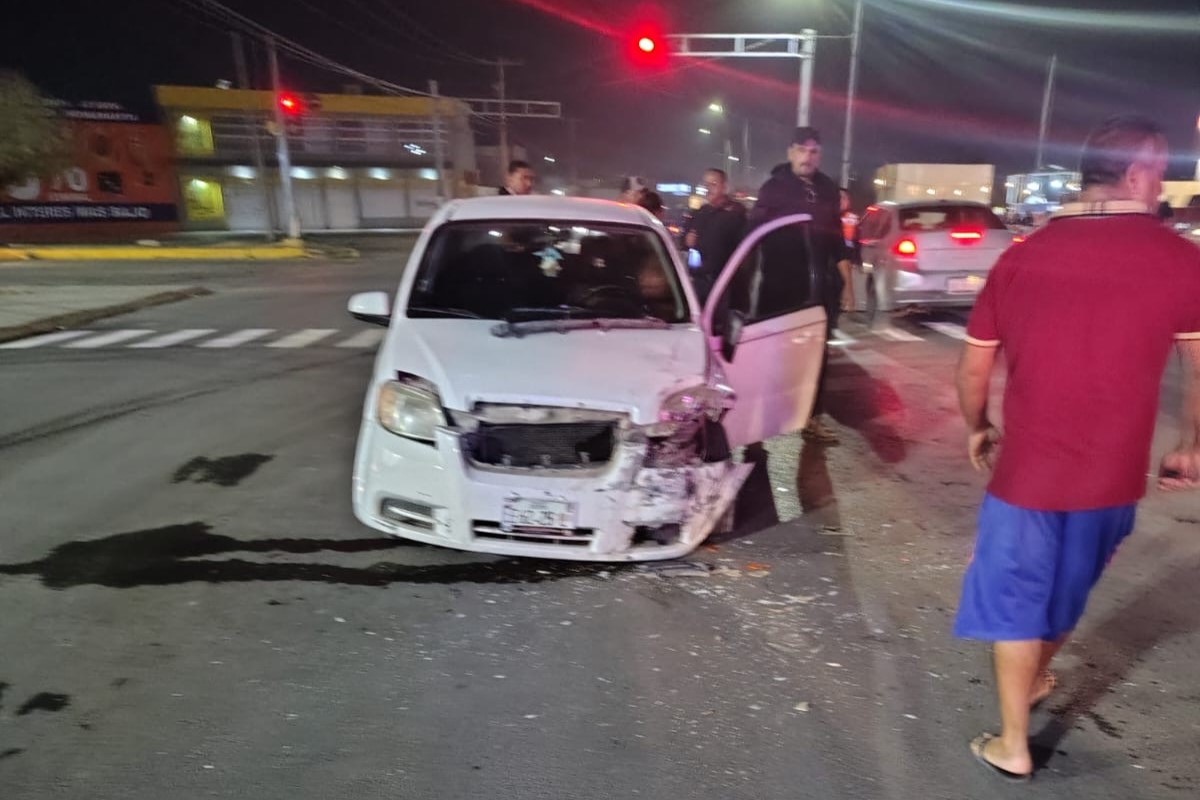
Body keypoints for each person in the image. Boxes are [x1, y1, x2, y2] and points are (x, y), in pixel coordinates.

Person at [953, 115, 1200, 782]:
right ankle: (1032, 683)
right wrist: (1190, 444)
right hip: (1113, 481)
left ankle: (1012, 743)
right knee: (1064, 595)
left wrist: (976, 425)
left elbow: (974, 370)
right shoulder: (1179, 259)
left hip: (1027, 476)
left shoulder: (1023, 257)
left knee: (1015, 600)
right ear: (1136, 174)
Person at [749, 126, 854, 444]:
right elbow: (753, 238)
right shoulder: (773, 189)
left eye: (814, 151)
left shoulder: (827, 190)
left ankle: (811, 417)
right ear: (790, 151)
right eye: (802, 150)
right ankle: (768, 417)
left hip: (821, 290)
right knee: (777, 354)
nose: (808, 156)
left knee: (817, 356)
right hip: (781, 288)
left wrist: (848, 285)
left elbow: (838, 243)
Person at [684, 168, 747, 303]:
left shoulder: (735, 214)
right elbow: (684, 239)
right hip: (698, 283)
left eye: (713, 184)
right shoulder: (700, 212)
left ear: (724, 187)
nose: (708, 188)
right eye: (706, 184)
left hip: (724, 285)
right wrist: (687, 240)